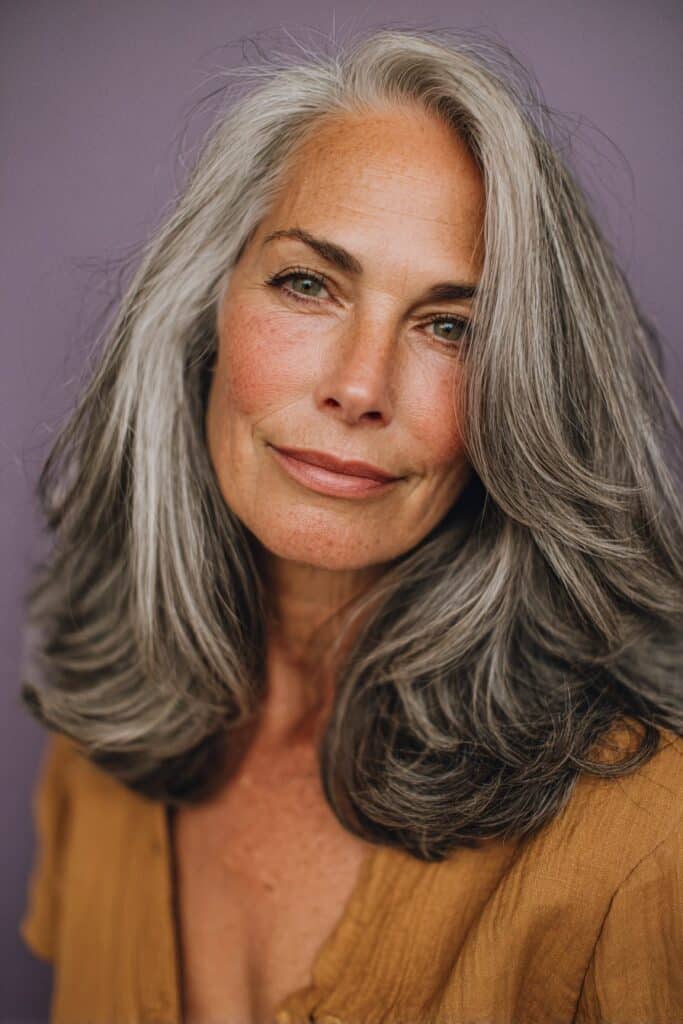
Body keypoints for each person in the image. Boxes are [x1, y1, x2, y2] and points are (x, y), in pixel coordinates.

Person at [18, 25, 682, 1024]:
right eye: (308, 283)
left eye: (448, 325)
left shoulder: (647, 843)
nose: (359, 386)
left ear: (522, 395)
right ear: (203, 315)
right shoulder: (100, 736)